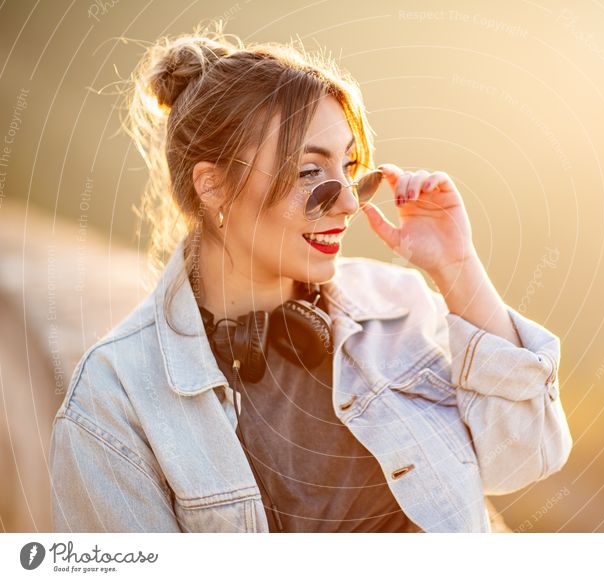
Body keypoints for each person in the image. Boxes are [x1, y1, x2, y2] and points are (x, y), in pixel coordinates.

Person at [48, 27, 572, 533]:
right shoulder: (112, 402)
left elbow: (524, 458)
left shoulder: (401, 302)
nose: (347, 203)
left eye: (350, 170)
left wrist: (458, 270)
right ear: (212, 186)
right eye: (309, 174)